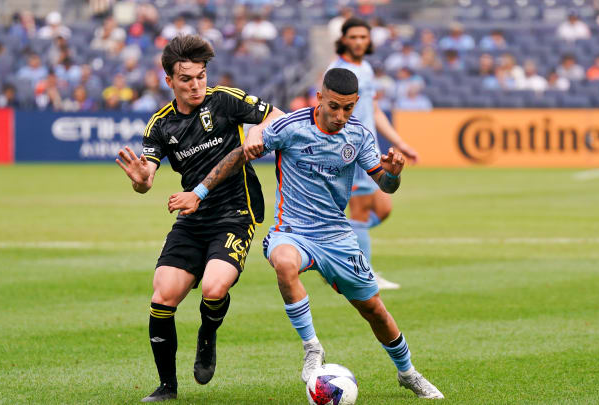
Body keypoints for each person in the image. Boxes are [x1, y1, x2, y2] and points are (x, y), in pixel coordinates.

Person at [167, 68, 444, 400]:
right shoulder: (291, 127)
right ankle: (312, 348)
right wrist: (199, 191)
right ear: (320, 98)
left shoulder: (359, 136)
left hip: (337, 237)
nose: (340, 115)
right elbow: (239, 154)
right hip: (292, 231)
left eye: (348, 108)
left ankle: (408, 373)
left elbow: (384, 184)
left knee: (374, 310)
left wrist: (394, 174)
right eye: (334, 106)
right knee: (284, 262)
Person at [114, 34, 283, 402]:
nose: (196, 85)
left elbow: (277, 116)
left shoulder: (225, 99)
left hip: (235, 212)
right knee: (163, 295)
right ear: (169, 81)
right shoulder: (160, 125)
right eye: (186, 79)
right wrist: (142, 181)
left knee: (213, 287)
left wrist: (258, 130)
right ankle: (166, 388)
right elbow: (147, 179)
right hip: (192, 216)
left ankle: (207, 334)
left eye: (201, 76)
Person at [326, 17, 419, 290]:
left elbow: (374, 111)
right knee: (362, 211)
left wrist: (400, 142)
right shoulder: (338, 71)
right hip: (349, 150)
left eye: (363, 37)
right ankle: (363, 276)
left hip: (369, 149)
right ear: (343, 39)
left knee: (382, 208)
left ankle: (334, 249)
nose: (358, 42)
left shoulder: (364, 68)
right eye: (353, 37)